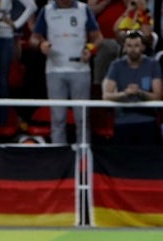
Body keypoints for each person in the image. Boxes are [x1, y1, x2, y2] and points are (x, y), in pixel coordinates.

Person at [32, 0, 102, 146]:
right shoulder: (47, 10)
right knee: (58, 118)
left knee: (82, 117)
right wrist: (41, 45)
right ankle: (59, 154)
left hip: (80, 70)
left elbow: (98, 38)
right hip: (54, 70)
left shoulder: (84, 10)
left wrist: (90, 49)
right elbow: (34, 38)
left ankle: (83, 153)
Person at [103, 28, 163, 145]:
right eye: (129, 46)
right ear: (125, 48)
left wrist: (140, 93)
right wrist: (125, 94)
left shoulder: (153, 65)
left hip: (148, 120)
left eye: (136, 45)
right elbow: (106, 95)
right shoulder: (116, 65)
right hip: (122, 121)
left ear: (143, 47)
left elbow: (158, 96)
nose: (133, 49)